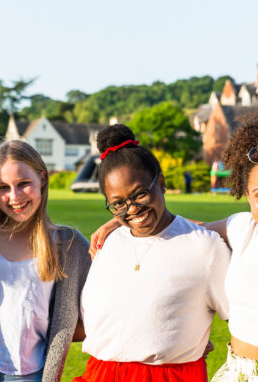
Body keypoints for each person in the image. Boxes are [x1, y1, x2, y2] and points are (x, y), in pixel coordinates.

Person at [90, 107, 258, 381]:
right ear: (246, 194)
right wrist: (123, 218)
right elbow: (180, 227)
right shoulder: (241, 228)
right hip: (234, 372)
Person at [74, 124, 231, 381]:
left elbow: (246, 320)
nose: (132, 208)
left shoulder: (205, 248)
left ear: (161, 182)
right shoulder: (108, 242)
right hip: (98, 374)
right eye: (118, 203)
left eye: (140, 194)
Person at [0, 140, 92, 382]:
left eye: (23, 184)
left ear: (42, 178)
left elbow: (103, 305)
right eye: (3, 188)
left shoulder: (67, 243)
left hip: (26, 373)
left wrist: (114, 224)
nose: (14, 196)